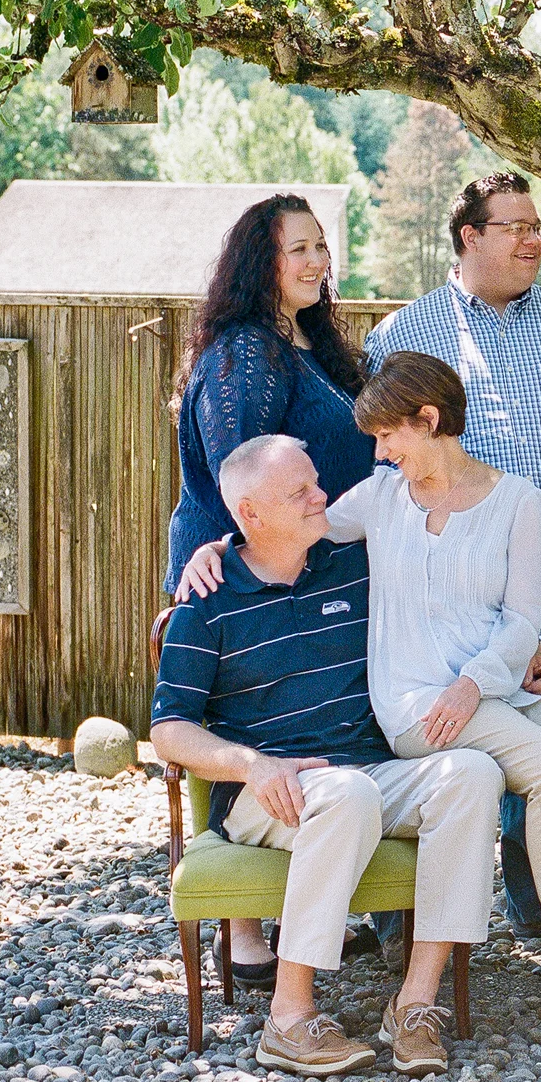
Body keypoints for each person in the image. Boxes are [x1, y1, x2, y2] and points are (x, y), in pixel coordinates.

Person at [176, 360, 541, 1052]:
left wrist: (482, 678)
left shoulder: (520, 502)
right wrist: (213, 547)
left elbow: (521, 619)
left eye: (390, 435)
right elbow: (281, 526)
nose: (381, 452)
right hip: (419, 704)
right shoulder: (381, 498)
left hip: (493, 690)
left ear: (429, 420)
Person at [151, 436, 501, 1078]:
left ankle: (415, 1003)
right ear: (251, 513)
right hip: (266, 791)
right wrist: (252, 766)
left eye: (316, 482)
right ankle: (288, 1018)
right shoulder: (207, 599)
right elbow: (169, 731)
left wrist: (529, 649)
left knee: (473, 774)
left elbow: (453, 595)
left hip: (368, 768)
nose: (322, 497)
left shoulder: (355, 565)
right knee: (347, 793)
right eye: (301, 491)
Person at [365, 172, 541, 938]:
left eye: (538, 226)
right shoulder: (403, 335)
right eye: (516, 227)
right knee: (443, 757)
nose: (533, 240)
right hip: (448, 610)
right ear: (469, 236)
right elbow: (384, 471)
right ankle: (407, 923)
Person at [165, 193, 376, 990]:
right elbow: (240, 470)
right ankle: (244, 934)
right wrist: (229, 552)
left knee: (302, 721)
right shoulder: (246, 353)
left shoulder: (310, 344)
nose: (316, 262)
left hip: (300, 564)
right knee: (243, 719)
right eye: (298, 249)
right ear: (261, 262)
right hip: (234, 565)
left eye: (321, 247)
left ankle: (295, 908)